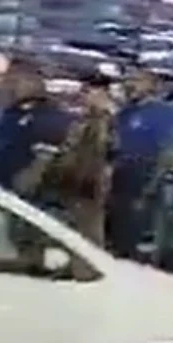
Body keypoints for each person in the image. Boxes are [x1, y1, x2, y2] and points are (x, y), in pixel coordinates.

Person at [107, 67, 173, 260]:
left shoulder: (163, 114)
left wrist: (151, 186)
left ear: (153, 85)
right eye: (129, 80)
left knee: (134, 237)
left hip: (142, 178)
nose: (131, 84)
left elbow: (167, 153)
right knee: (114, 237)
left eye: (138, 80)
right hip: (118, 179)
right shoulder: (125, 112)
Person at [50, 74, 116, 245]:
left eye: (89, 92)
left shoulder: (108, 120)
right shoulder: (82, 120)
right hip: (74, 177)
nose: (84, 96)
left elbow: (109, 150)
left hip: (92, 180)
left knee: (90, 225)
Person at [0, 60, 72, 203]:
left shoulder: (51, 120)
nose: (5, 84)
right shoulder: (10, 113)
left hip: (21, 198)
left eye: (12, 79)